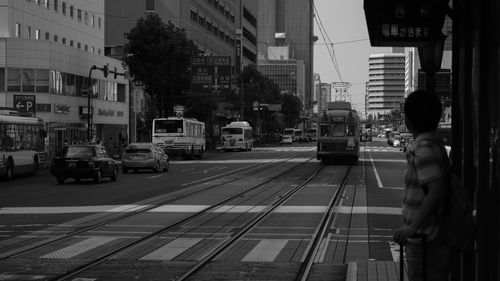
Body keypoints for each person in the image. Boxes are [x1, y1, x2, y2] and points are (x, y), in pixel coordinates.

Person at [393, 90, 451, 281]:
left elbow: (435, 191)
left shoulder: (424, 150)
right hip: (428, 237)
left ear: (409, 121)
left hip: (425, 239)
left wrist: (412, 228)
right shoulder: (433, 145)